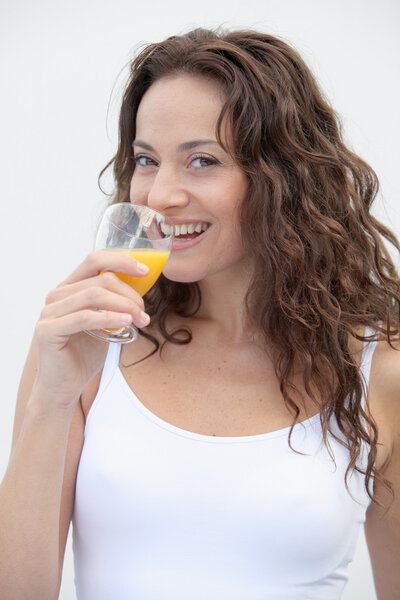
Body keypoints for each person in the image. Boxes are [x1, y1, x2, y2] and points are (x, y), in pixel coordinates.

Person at [1, 27, 399, 600]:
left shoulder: (376, 368)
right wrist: (51, 401)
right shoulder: (86, 347)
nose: (160, 194)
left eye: (202, 161)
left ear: (283, 178)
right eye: (146, 159)